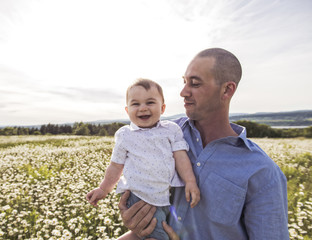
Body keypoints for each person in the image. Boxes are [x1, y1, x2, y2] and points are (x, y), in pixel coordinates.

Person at [118, 48, 289, 239]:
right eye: (184, 82)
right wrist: (134, 218)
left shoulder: (263, 172)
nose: (183, 92)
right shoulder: (163, 134)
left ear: (227, 90)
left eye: (195, 84)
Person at [86, 78, 200, 240]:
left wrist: (190, 181)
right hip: (138, 196)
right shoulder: (125, 135)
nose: (143, 108)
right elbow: (115, 166)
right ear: (127, 111)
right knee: (159, 234)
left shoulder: (171, 130)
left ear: (162, 108)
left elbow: (180, 156)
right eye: (135, 104)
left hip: (163, 196)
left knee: (160, 230)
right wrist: (104, 189)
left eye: (150, 102)